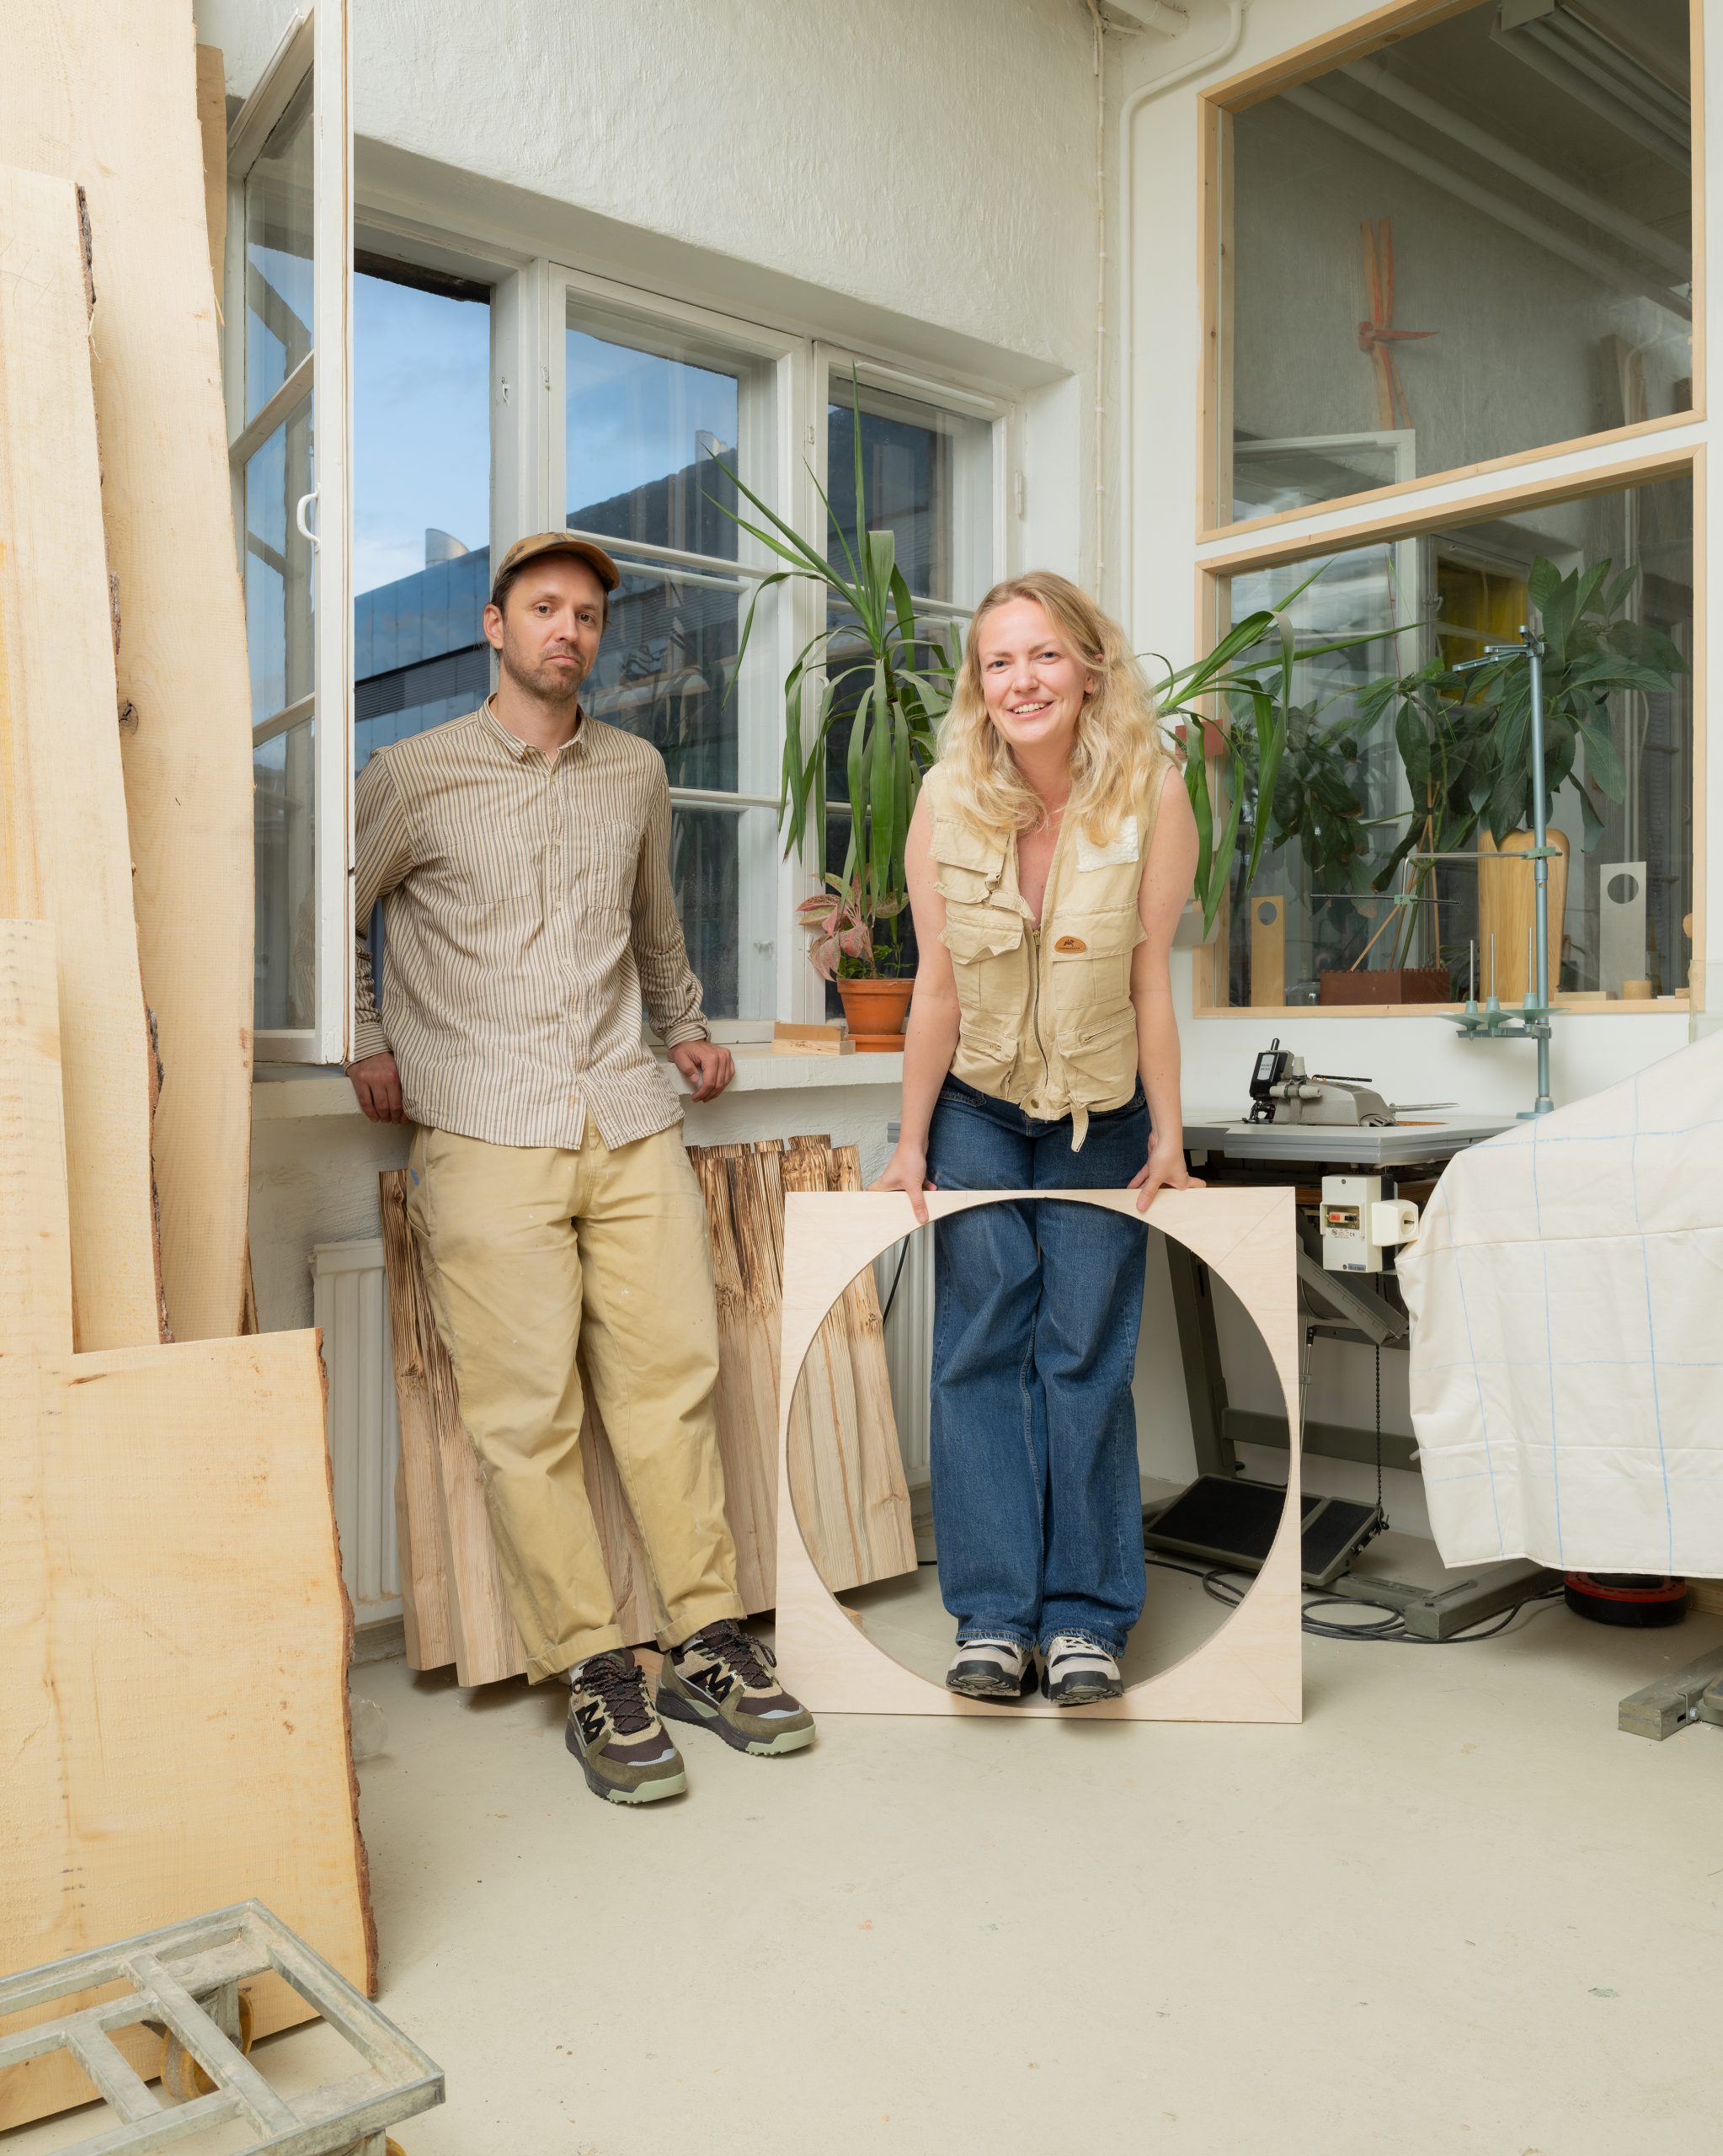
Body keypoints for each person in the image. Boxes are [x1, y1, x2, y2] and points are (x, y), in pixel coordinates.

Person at [346, 531, 813, 1803]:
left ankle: (709, 1639)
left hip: (627, 1116)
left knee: (672, 1384)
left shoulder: (637, 771)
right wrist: (366, 1036)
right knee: (526, 1420)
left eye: (589, 615)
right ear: (492, 628)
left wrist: (691, 1030)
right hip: (483, 1126)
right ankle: (596, 1670)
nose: (569, 630)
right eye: (544, 608)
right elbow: (329, 912)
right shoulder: (411, 771)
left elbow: (653, 926)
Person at [873, 571, 1202, 1705]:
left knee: (1081, 1355)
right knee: (977, 1349)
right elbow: (935, 989)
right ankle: (993, 1615)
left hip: (1100, 1120)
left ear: (1090, 668)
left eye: (1044, 655)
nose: (1022, 680)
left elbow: (1148, 980)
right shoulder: (943, 798)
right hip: (973, 1109)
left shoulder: (1151, 796)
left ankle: (1086, 1621)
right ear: (979, 684)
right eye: (999, 661)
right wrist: (911, 1143)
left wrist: (1167, 1134)